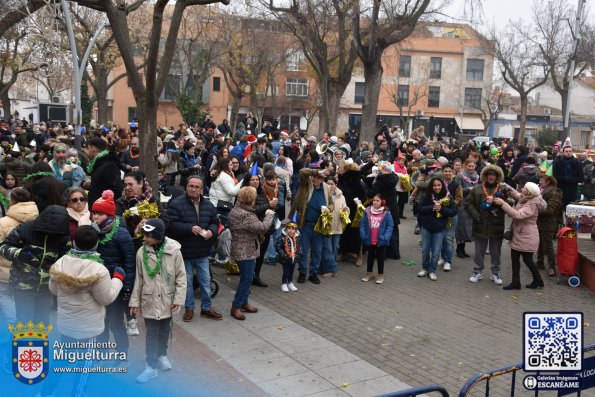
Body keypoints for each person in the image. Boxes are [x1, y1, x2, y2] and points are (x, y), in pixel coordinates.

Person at [45, 225, 124, 397]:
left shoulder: (60, 263)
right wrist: (118, 280)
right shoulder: (99, 271)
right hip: (88, 330)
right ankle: (78, 393)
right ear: (96, 245)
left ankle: (45, 393)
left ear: (74, 242)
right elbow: (107, 298)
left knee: (60, 361)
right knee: (84, 366)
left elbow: (53, 290)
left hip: (66, 325)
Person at [129, 218, 186, 383]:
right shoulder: (141, 252)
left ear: (158, 236)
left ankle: (162, 354)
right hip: (149, 299)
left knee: (164, 330)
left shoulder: (174, 251)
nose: (144, 238)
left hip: (167, 299)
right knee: (151, 333)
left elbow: (181, 277)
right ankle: (150, 366)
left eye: (148, 235)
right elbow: (138, 279)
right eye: (144, 235)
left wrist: (179, 298)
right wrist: (134, 302)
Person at [0, 205, 70, 322]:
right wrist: (19, 253)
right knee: (24, 321)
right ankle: (24, 340)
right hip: (23, 285)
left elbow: (65, 259)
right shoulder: (25, 229)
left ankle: (41, 340)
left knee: (42, 321)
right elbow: (3, 247)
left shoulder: (62, 236)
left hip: (47, 287)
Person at [167, 176, 221, 322]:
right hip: (184, 251)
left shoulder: (209, 205)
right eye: (191, 186)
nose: (193, 189)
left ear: (202, 189)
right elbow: (170, 225)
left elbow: (215, 222)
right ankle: (189, 309)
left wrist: (212, 231)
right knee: (187, 283)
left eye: (197, 187)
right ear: (186, 187)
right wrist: (189, 228)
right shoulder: (176, 204)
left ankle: (206, 308)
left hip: (202, 251)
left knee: (205, 281)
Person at [93, 190, 137, 355]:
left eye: (99, 214)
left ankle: (122, 351)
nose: (95, 217)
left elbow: (129, 262)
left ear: (109, 215)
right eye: (94, 213)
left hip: (115, 285)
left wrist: (127, 287)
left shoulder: (121, 233)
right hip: (97, 283)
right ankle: (101, 351)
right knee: (100, 320)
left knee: (116, 321)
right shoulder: (93, 231)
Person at [0, 188, 37, 368]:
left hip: (4, 277)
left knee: (12, 318)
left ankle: (10, 355)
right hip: (31, 275)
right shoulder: (39, 219)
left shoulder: (2, 223)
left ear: (12, 201)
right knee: (28, 317)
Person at [228, 186, 275, 320]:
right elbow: (262, 228)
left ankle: (244, 302)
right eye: (254, 197)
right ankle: (236, 306)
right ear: (250, 199)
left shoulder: (238, 209)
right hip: (245, 251)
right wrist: (269, 216)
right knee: (246, 279)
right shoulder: (246, 215)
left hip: (242, 248)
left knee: (247, 277)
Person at [493, 182, 546, 289]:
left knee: (527, 259)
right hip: (521, 233)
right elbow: (516, 194)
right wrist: (505, 185)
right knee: (515, 257)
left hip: (527, 234)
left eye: (525, 188)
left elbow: (518, 215)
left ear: (529, 192)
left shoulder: (532, 204)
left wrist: (503, 204)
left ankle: (537, 280)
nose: (522, 189)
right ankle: (517, 281)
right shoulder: (526, 197)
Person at [464, 165, 508, 285]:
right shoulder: (477, 189)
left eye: (494, 175)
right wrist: (477, 216)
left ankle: (495, 273)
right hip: (480, 224)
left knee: (495, 252)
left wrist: (501, 202)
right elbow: (468, 204)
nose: (491, 177)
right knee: (479, 251)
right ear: (485, 176)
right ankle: (477, 272)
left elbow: (509, 205)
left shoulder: (502, 189)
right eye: (489, 175)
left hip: (496, 224)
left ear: (497, 177)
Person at [290, 166, 332, 284]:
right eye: (314, 177)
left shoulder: (326, 189)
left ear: (322, 180)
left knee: (317, 251)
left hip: (319, 225)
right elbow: (302, 171)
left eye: (318, 178)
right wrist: (317, 171)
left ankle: (313, 273)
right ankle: (302, 272)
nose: (315, 179)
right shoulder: (305, 185)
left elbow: (332, 204)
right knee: (303, 250)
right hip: (305, 224)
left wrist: (328, 208)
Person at [416, 177, 458, 281]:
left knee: (436, 251)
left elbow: (453, 211)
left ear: (442, 186)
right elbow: (419, 209)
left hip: (440, 228)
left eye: (439, 185)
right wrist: (432, 207)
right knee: (425, 250)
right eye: (434, 185)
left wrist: (442, 209)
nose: (437, 187)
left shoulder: (448, 197)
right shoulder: (425, 196)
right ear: (431, 186)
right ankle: (424, 268)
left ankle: (432, 271)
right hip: (426, 227)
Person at [359, 194, 394, 284]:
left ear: (382, 202)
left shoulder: (386, 212)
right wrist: (363, 234)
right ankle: (369, 273)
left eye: (377, 200)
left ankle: (380, 275)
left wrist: (386, 237)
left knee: (380, 257)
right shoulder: (367, 211)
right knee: (370, 256)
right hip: (370, 239)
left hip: (381, 240)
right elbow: (362, 224)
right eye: (374, 200)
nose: (375, 202)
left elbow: (390, 226)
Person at [320, 175, 349, 277]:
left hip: (337, 227)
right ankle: (328, 269)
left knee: (335, 248)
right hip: (326, 227)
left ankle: (331, 268)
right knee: (327, 249)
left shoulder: (341, 196)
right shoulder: (322, 195)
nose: (330, 185)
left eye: (332, 184)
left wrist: (345, 211)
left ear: (336, 185)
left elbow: (345, 209)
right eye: (328, 183)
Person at [536, 175, 563, 277]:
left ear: (548, 182)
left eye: (542, 180)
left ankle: (552, 267)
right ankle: (540, 262)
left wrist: (535, 210)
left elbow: (550, 210)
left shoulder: (554, 192)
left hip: (549, 222)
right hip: (541, 221)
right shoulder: (543, 191)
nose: (540, 181)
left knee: (548, 245)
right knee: (540, 243)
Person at [85, 137, 123, 206]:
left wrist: (104, 205)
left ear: (93, 149)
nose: (87, 151)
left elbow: (117, 190)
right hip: (97, 208)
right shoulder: (99, 163)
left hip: (103, 210)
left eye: (88, 148)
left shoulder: (109, 165)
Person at [439, 163, 462, 271]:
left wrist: (449, 203)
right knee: (442, 237)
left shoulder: (456, 185)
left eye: (449, 171)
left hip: (451, 215)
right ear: (442, 172)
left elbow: (459, 199)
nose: (447, 173)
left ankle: (448, 261)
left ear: (452, 172)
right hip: (440, 214)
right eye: (445, 171)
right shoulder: (439, 184)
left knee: (449, 238)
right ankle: (443, 257)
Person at [208, 157, 244, 227]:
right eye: (230, 165)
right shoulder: (224, 176)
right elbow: (232, 192)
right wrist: (242, 182)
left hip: (216, 204)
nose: (232, 166)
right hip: (221, 207)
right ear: (225, 166)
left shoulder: (220, 174)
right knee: (222, 229)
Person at [455, 158, 479, 258]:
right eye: (469, 166)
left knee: (468, 227)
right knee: (461, 226)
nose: (471, 168)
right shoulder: (460, 176)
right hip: (462, 204)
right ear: (465, 166)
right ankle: (459, 249)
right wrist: (468, 189)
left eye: (472, 166)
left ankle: (463, 249)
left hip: (471, 204)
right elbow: (457, 190)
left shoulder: (477, 176)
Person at [553, 141, 584, 208]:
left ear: (572, 152)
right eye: (566, 151)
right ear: (563, 153)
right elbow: (555, 176)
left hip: (572, 190)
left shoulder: (577, 163)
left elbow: (581, 178)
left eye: (570, 151)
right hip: (560, 190)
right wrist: (565, 178)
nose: (568, 153)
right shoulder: (557, 163)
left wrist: (570, 179)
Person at [276, 216, 301, 292]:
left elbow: (299, 248)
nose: (290, 230)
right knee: (286, 271)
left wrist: (297, 255)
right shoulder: (282, 238)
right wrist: (284, 255)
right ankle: (284, 283)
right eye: (289, 228)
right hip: (285, 259)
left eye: (293, 229)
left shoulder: (297, 239)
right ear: (286, 229)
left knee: (291, 271)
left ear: (295, 231)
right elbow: (278, 247)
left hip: (293, 258)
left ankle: (290, 282)